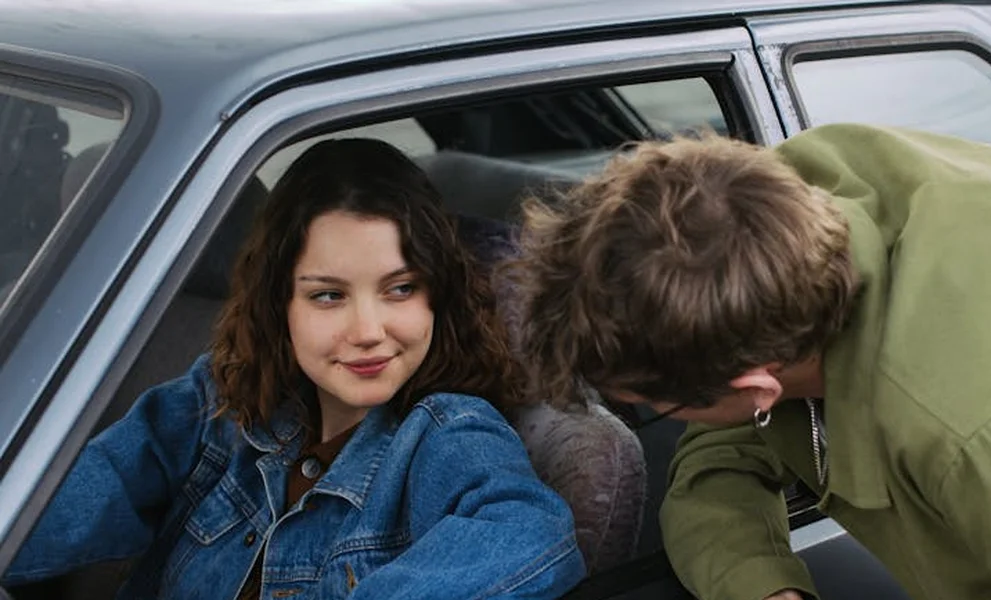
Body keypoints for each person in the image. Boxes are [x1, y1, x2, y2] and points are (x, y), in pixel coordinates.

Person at [508, 123, 991, 600]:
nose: (656, 419)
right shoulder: (765, 224)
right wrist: (760, 584)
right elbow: (726, 448)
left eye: (653, 406)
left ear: (756, 384)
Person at [2, 138, 586, 599]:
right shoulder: (220, 399)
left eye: (400, 289)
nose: (367, 331)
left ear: (438, 295)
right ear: (279, 302)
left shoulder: (444, 433)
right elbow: (59, 506)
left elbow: (532, 529)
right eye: (328, 295)